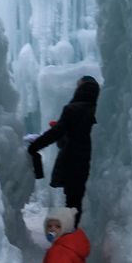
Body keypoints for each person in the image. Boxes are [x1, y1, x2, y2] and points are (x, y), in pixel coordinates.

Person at [27, 75, 100, 220]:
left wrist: (35, 146)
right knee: (76, 199)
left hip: (71, 159)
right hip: (86, 160)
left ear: (82, 88)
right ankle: (73, 234)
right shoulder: (94, 109)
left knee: (71, 200)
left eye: (78, 86)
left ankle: (70, 236)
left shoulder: (72, 109)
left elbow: (56, 134)